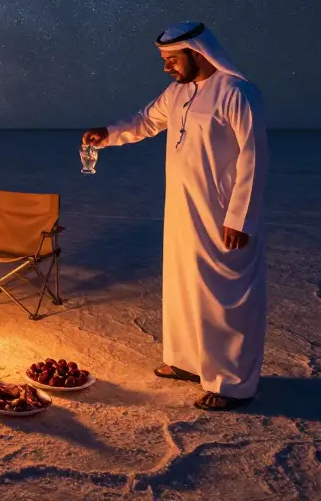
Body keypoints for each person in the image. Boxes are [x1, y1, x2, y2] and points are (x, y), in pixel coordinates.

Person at [82, 22, 268, 411]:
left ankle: (231, 383)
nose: (166, 67)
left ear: (197, 52)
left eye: (172, 59)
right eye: (164, 59)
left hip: (221, 213)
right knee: (183, 283)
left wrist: (240, 217)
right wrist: (109, 133)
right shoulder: (178, 92)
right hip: (182, 209)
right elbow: (145, 121)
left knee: (223, 296)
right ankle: (187, 361)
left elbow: (254, 158)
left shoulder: (236, 93)